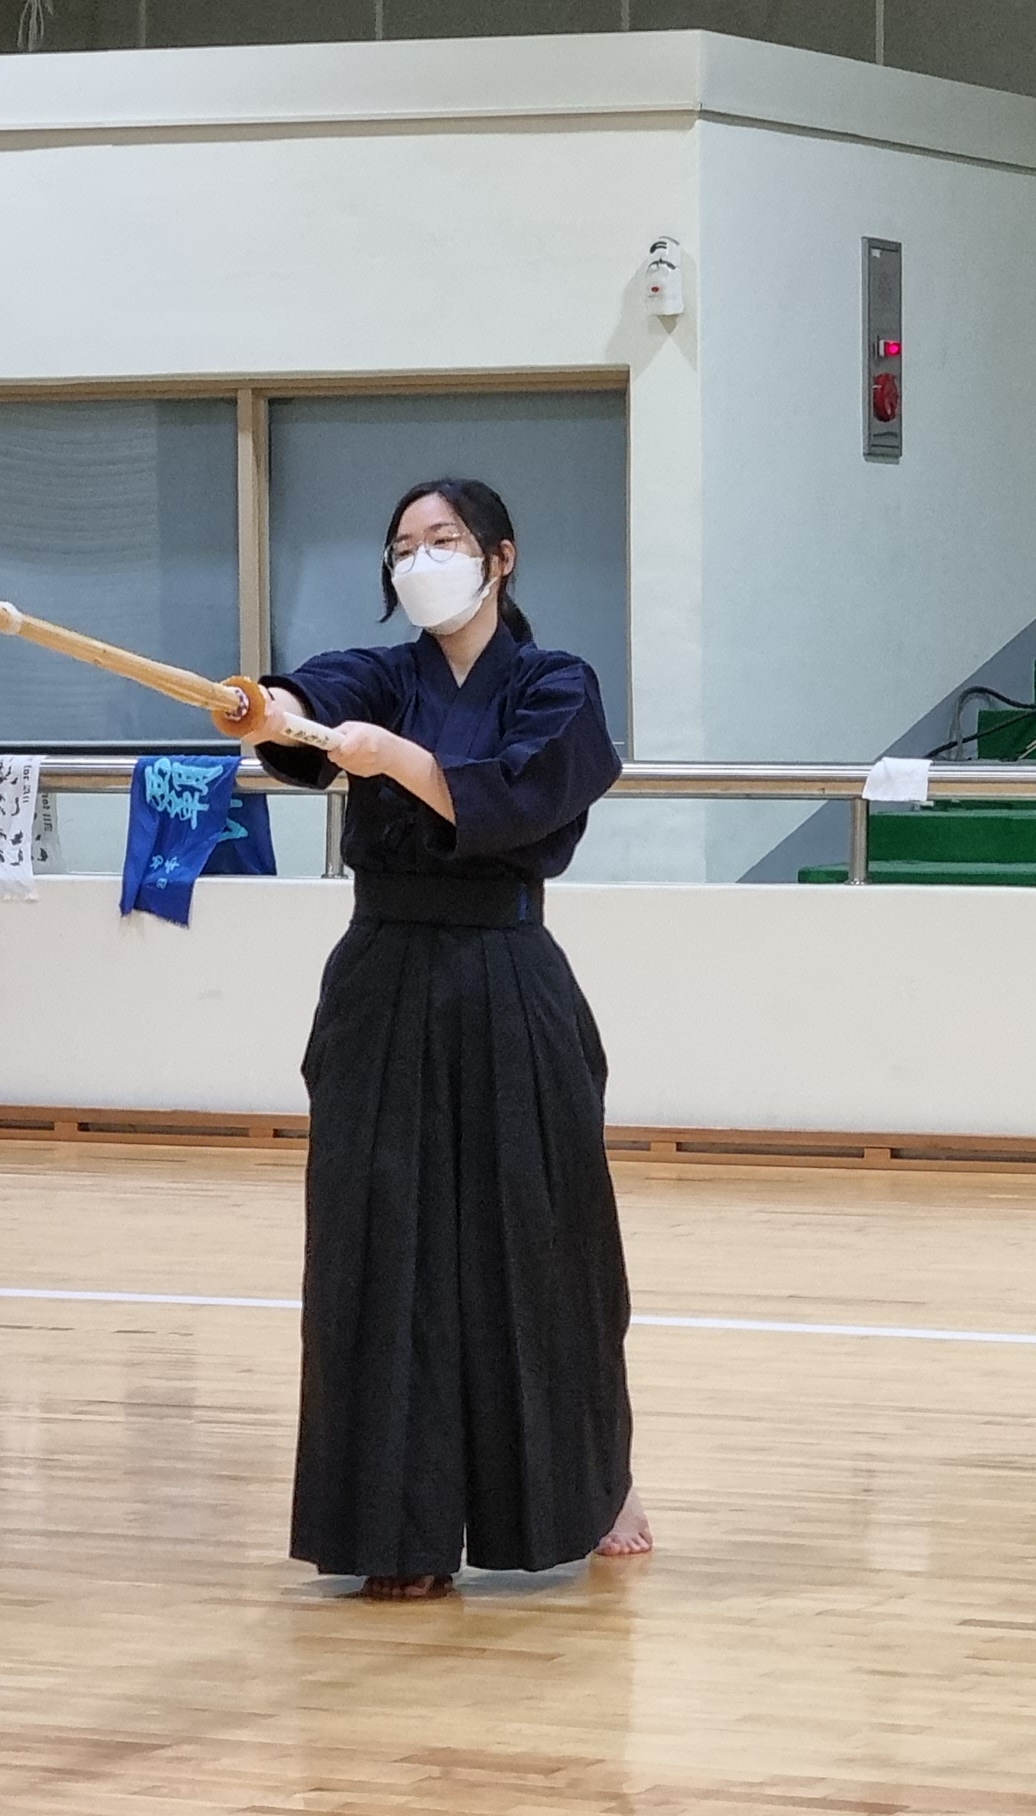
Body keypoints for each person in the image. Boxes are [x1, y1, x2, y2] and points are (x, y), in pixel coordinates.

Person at [216, 476, 647, 1601]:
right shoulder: (382, 675)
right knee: (378, 1243)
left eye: (443, 539)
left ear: (500, 558)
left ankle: (594, 1482)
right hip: (382, 976)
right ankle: (395, 1530)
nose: (420, 560)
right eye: (402, 545)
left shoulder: (556, 682)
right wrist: (267, 706)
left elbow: (522, 798)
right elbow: (313, 705)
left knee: (542, 1240)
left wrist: (397, 760)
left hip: (507, 973)